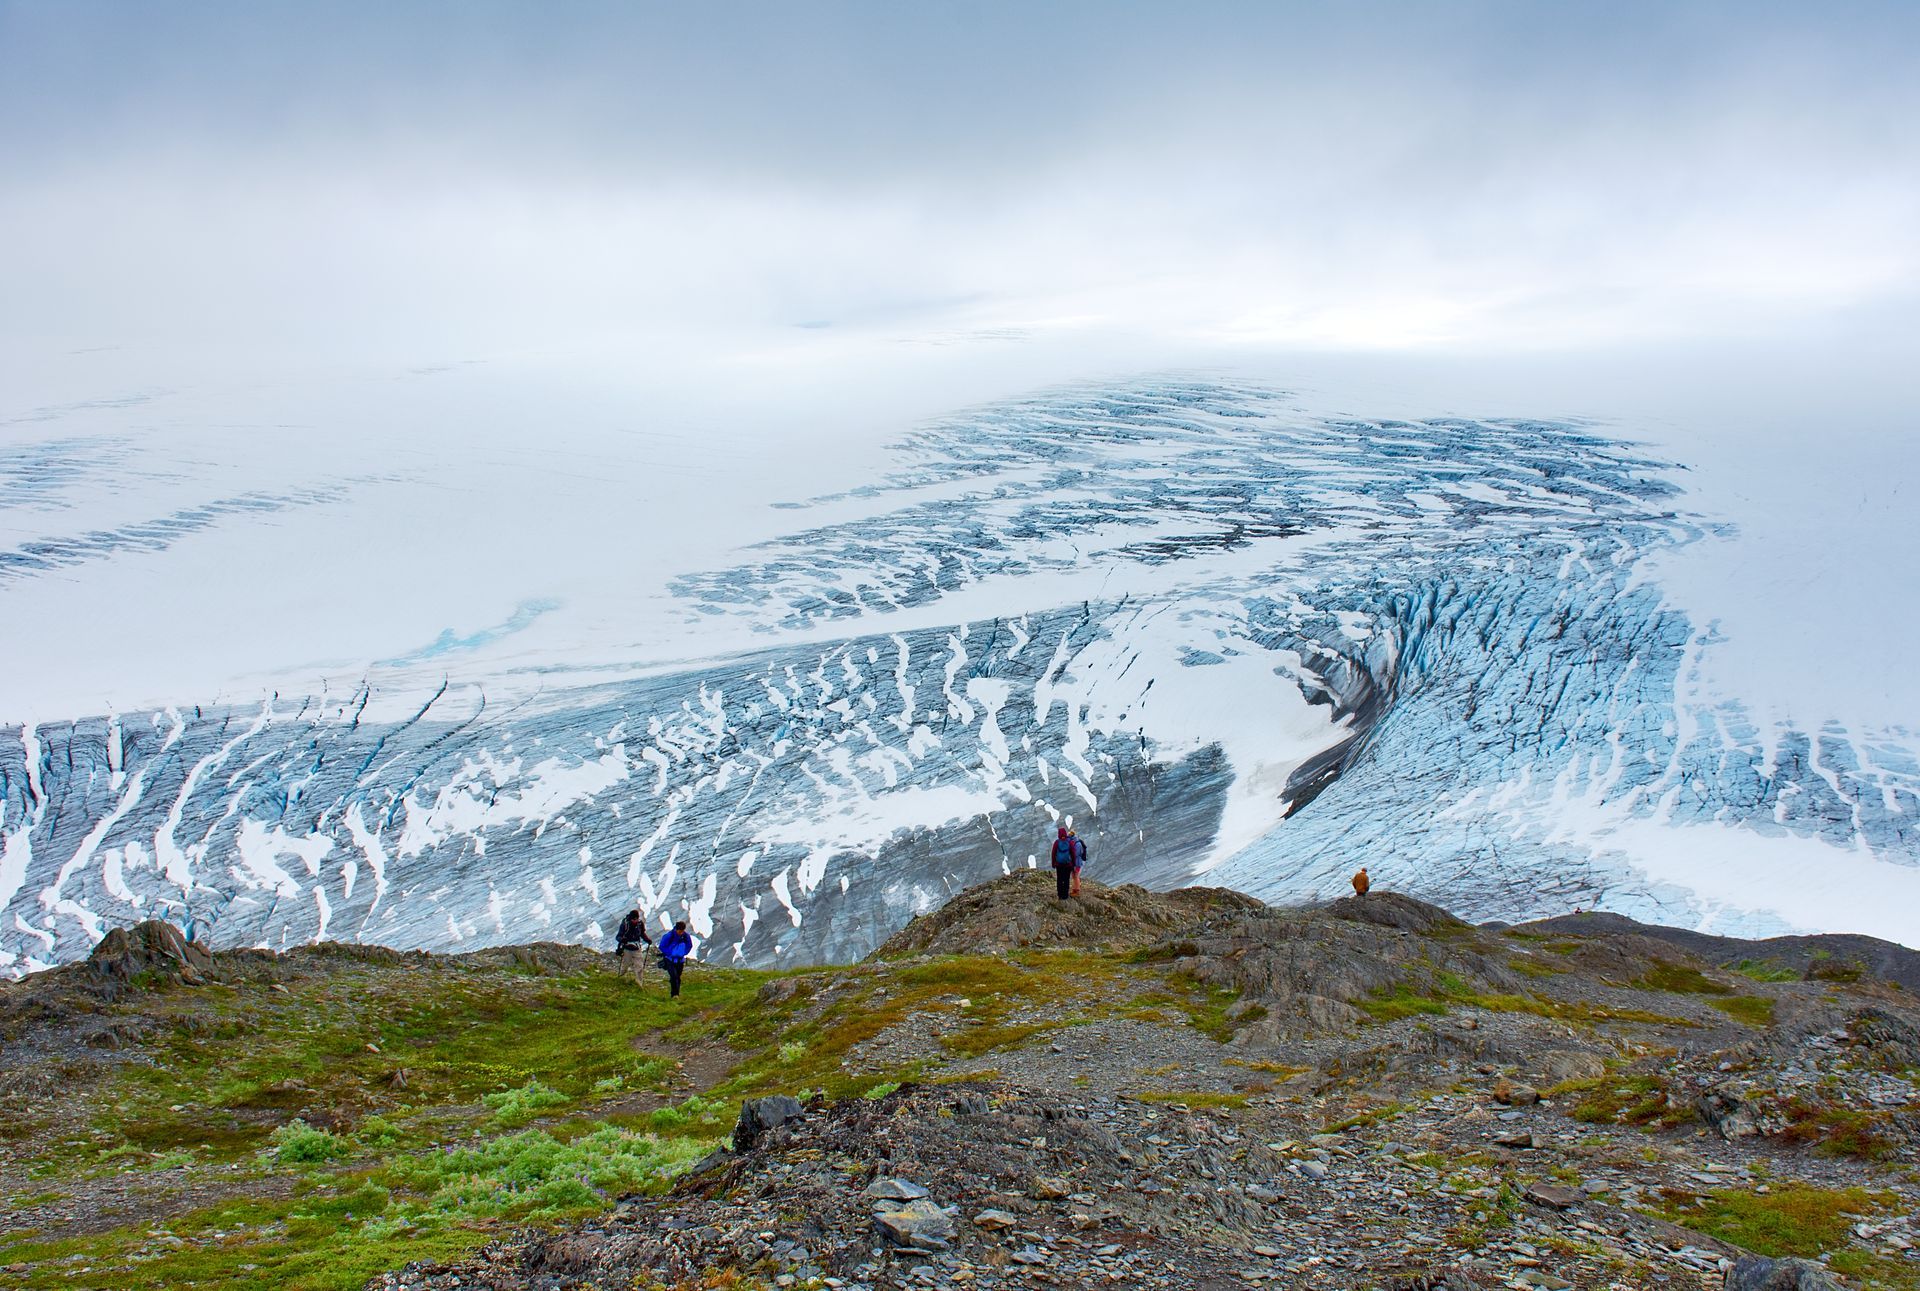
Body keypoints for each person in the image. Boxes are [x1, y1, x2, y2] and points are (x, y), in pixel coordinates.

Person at [614, 908, 653, 985]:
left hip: (636, 948)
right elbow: (618, 937)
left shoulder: (640, 924)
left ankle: (639, 984)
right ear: (630, 918)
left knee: (639, 966)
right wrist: (622, 940)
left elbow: (642, 933)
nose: (635, 921)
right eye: (634, 919)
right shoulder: (625, 924)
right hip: (627, 948)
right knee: (625, 966)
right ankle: (620, 979)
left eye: (637, 919)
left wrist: (647, 940)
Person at [658, 920, 694, 997]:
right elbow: (662, 946)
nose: (681, 932)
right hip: (670, 960)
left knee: (678, 977)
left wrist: (684, 952)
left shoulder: (686, 936)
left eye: (682, 931)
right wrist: (670, 953)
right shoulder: (669, 936)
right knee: (674, 976)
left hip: (680, 960)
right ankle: (675, 995)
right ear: (676, 929)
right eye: (680, 931)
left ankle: (676, 993)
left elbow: (689, 945)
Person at [1049, 826, 1077, 900]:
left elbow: (1053, 853)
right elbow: (1073, 853)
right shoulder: (1070, 842)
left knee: (1060, 879)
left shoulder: (1057, 842)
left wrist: (1053, 863)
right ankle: (1065, 895)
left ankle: (1060, 894)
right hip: (1068, 865)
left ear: (1059, 834)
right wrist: (1073, 863)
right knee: (1066, 879)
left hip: (1059, 864)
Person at [1068, 827, 1087, 897]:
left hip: (1077, 863)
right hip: (1074, 863)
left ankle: (1076, 890)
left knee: (1076, 876)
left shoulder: (1077, 844)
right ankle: (1074, 889)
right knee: (1074, 876)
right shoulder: (1074, 842)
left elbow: (1076, 855)